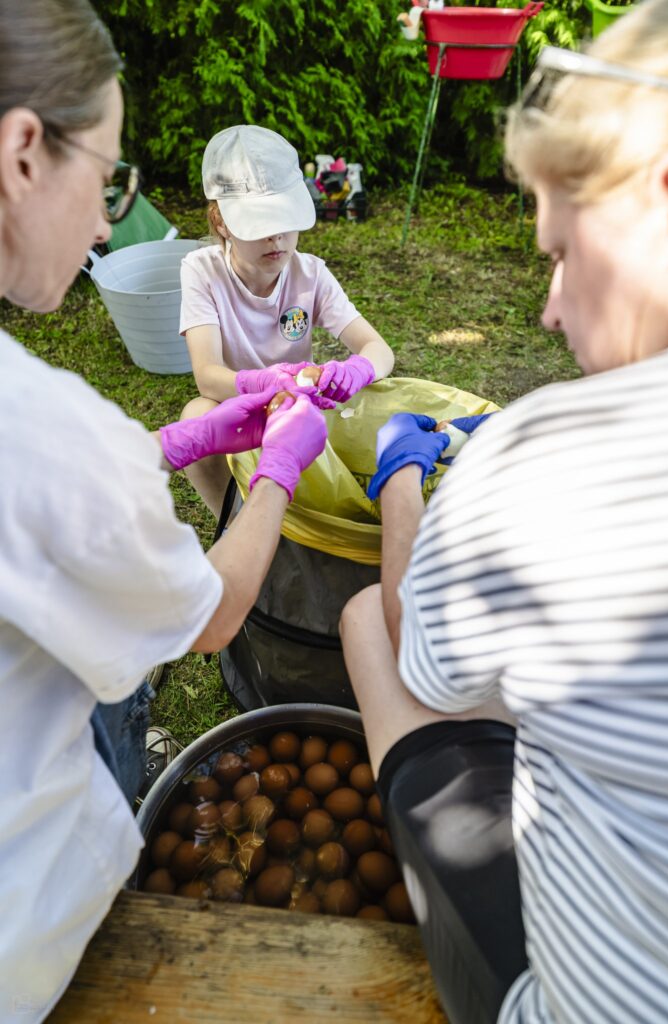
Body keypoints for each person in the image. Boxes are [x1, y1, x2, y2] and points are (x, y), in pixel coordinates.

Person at [340, 2, 668, 1021]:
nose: (546, 304)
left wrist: (406, 484)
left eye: (559, 252)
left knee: (369, 619)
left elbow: (420, 656)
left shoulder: (551, 462)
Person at [0, 3, 327, 1021]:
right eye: (105, 178)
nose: (104, 222)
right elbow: (215, 612)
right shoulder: (49, 430)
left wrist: (161, 448)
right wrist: (273, 471)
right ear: (22, 152)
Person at [178, 124, 395, 516]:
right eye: (258, 225)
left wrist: (359, 369)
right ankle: (235, 520)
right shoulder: (202, 271)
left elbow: (379, 349)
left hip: (297, 410)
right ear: (222, 221)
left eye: (282, 219)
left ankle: (295, 520)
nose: (275, 238)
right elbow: (207, 375)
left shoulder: (309, 274)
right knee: (195, 416)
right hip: (238, 409)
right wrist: (258, 382)